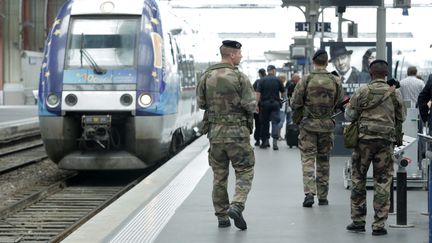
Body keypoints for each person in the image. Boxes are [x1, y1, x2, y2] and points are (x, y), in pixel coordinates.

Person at [196, 40, 256, 230]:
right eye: (239, 53)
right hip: (238, 134)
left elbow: (201, 103)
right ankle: (237, 205)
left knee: (219, 176)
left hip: (215, 134)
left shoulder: (206, 76)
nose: (241, 56)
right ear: (232, 55)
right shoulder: (240, 77)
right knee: (245, 170)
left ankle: (222, 217)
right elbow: (250, 105)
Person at [344, 59, 406, 236]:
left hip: (363, 141)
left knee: (358, 179)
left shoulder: (363, 91)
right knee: (383, 181)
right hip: (386, 142)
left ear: (370, 73)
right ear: (386, 74)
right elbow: (401, 116)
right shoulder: (394, 93)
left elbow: (349, 114)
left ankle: (358, 221)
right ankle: (379, 225)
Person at [291, 49, 344, 207]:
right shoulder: (335, 80)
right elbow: (341, 102)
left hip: (308, 126)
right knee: (323, 160)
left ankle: (309, 193)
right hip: (327, 126)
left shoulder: (306, 79)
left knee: (308, 159)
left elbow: (295, 102)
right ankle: (323, 196)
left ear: (314, 62)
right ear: (327, 62)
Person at [256, 64, 285, 150]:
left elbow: (258, 93)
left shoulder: (262, 80)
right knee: (275, 122)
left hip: (264, 104)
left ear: (268, 71)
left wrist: (256, 104)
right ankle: (275, 142)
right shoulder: (278, 80)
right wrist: (282, 99)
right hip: (275, 104)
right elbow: (283, 93)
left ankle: (265, 142)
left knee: (265, 123)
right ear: (273, 70)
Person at [252, 68, 266, 146]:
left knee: (258, 123)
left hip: (258, 105)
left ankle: (257, 140)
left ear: (259, 74)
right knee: (265, 123)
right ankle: (265, 140)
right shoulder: (269, 80)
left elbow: (253, 93)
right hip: (266, 106)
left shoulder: (257, 82)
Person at [277, 75, 287, 140]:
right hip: (280, 107)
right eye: (282, 78)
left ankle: (279, 135)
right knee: (280, 122)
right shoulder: (278, 87)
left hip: (283, 106)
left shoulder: (284, 86)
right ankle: (278, 135)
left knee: (281, 121)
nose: (283, 80)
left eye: (284, 78)